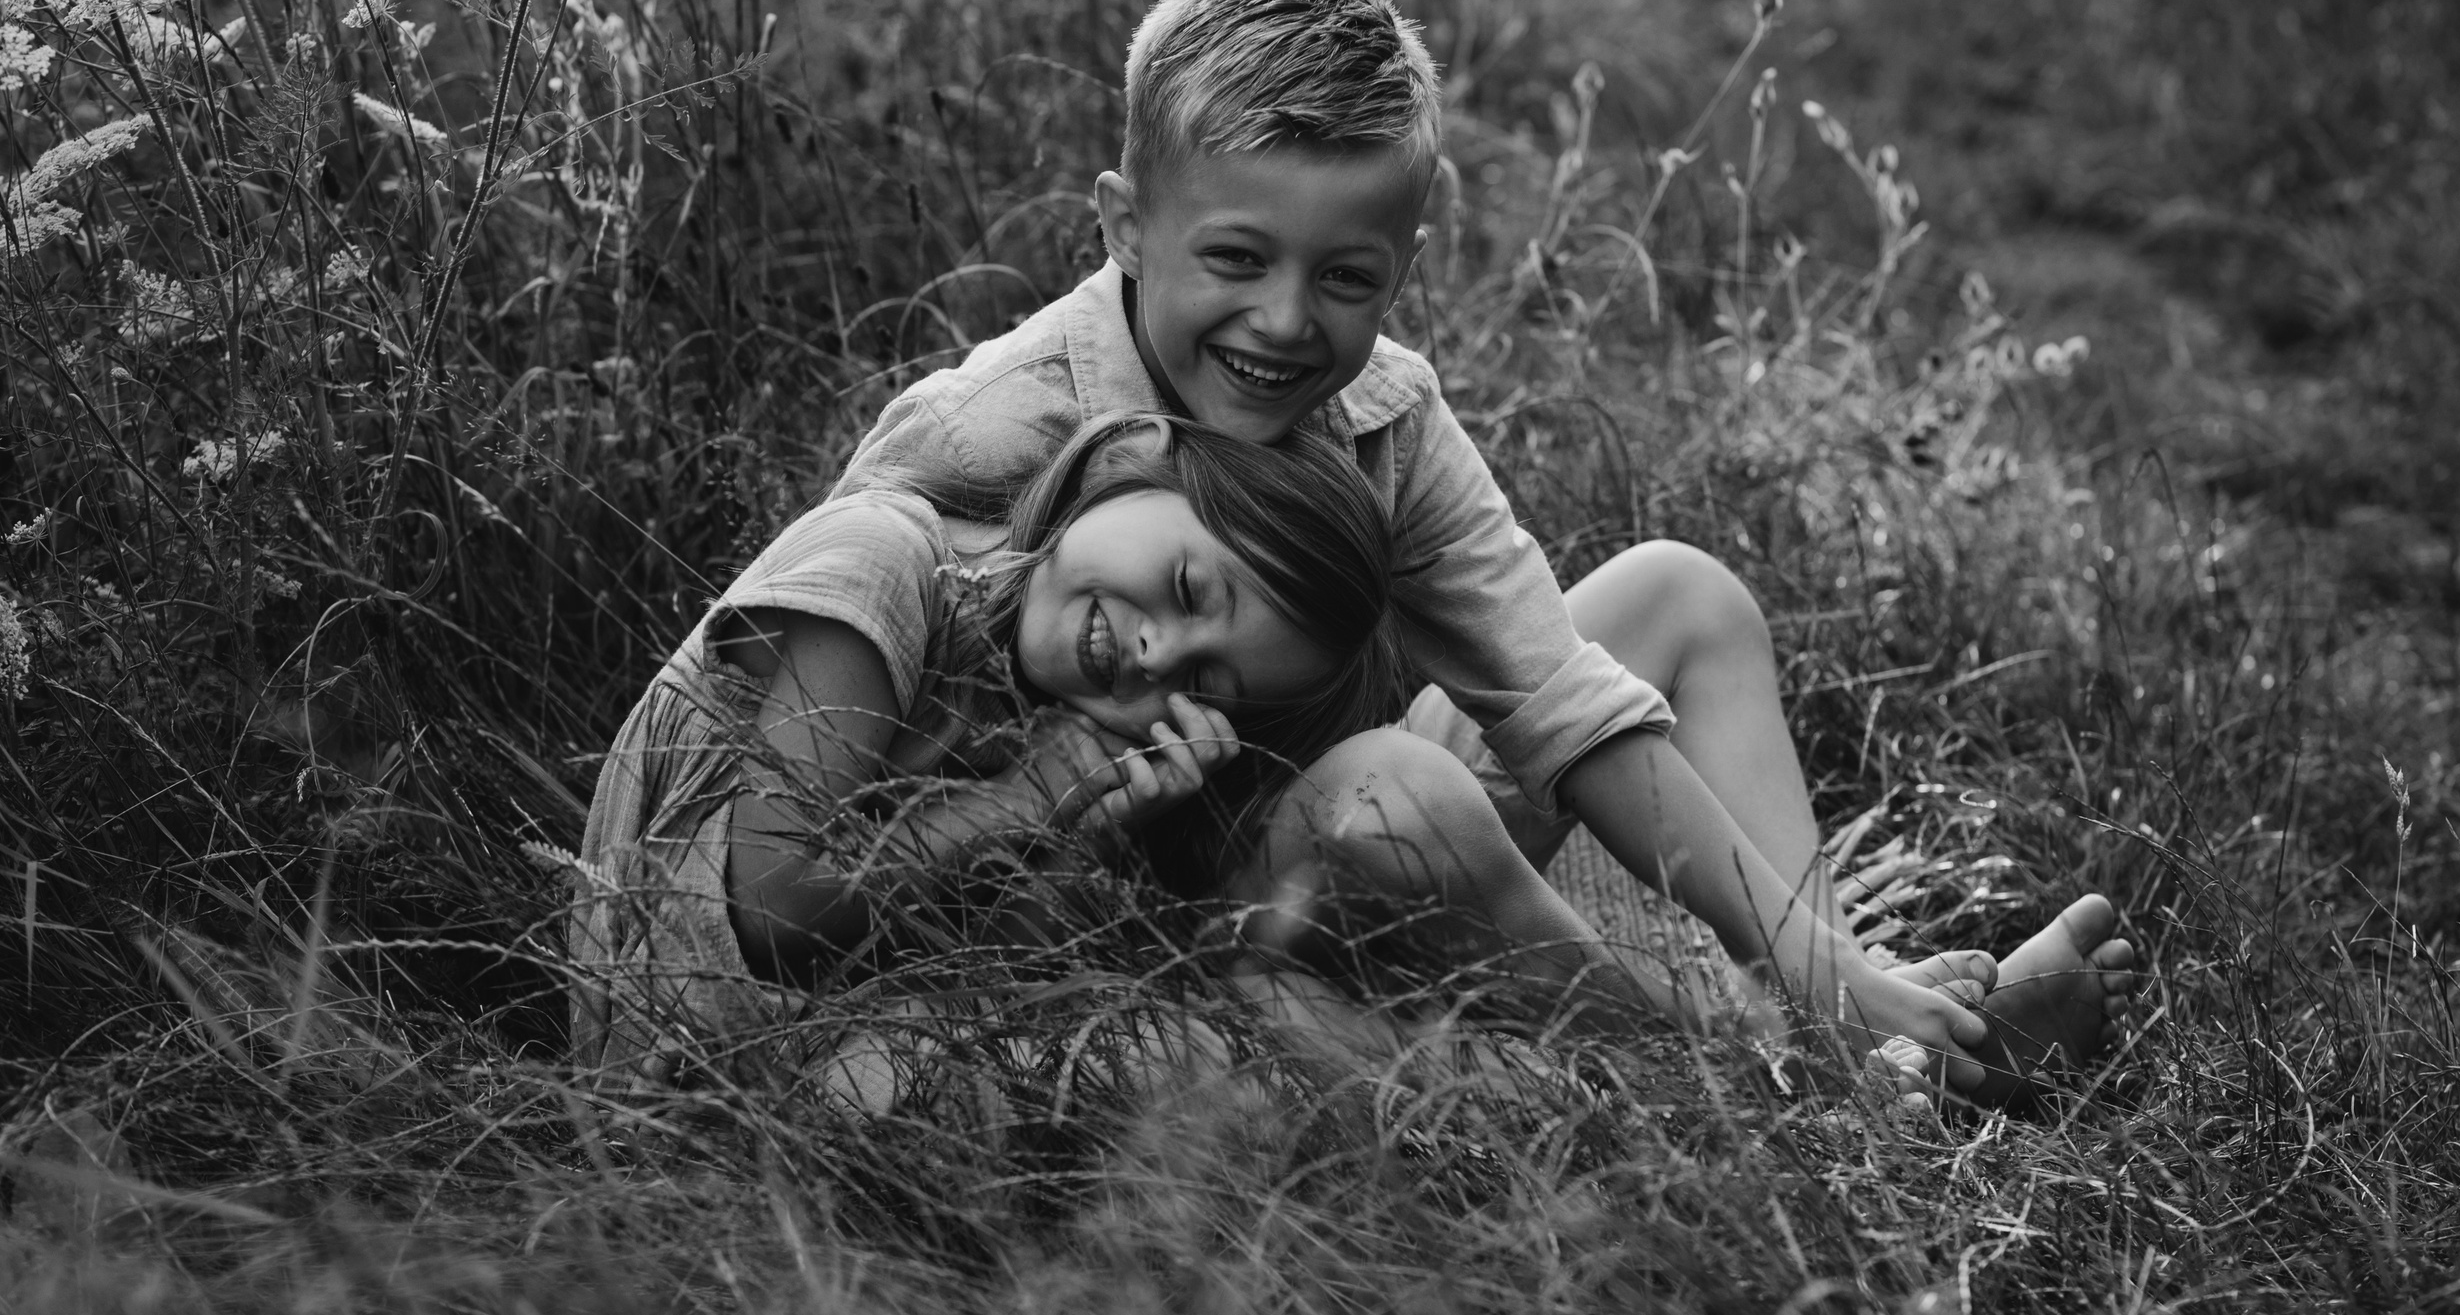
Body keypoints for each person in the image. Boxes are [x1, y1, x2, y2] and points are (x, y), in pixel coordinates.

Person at [828, 0, 2139, 1106]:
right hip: (1139, 897)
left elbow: (1559, 699)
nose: (1285, 324)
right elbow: (833, 717)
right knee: (1400, 796)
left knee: (1679, 595)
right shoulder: (996, 432)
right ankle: (1776, 1079)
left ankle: (1848, 1009)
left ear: (1403, 260)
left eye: (1344, 278)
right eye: (1236, 260)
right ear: (1125, 225)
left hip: (1344, 840)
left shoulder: (1382, 411)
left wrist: (1829, 968)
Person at [568, 411, 1689, 1080]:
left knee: (1232, 1031)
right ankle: (1650, 1071)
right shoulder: (884, 563)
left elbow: (987, 956)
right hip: (698, 1064)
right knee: (1204, 1062)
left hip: (883, 1032)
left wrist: (1091, 832)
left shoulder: (1051, 699)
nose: (1158, 647)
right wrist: (1022, 806)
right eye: (1194, 583)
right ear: (1134, 459)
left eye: (1204, 679)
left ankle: (1634, 1071)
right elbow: (771, 911)